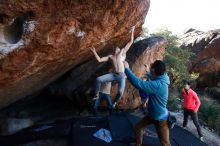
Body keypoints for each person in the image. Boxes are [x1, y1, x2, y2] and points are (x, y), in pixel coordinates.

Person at [124, 60, 170, 146]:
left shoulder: (158, 85)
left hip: (160, 118)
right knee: (138, 127)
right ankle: (138, 144)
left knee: (165, 143)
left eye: (152, 67)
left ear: (154, 70)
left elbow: (138, 83)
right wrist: (148, 72)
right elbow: (155, 77)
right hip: (152, 114)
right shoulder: (164, 77)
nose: (151, 67)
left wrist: (127, 69)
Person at [91, 26, 135, 108]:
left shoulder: (122, 55)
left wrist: (133, 30)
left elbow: (131, 42)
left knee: (120, 92)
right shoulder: (111, 57)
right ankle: (96, 94)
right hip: (113, 75)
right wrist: (94, 51)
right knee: (98, 79)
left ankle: (114, 103)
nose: (117, 50)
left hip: (121, 76)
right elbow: (100, 60)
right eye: (115, 49)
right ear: (114, 51)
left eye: (118, 49)